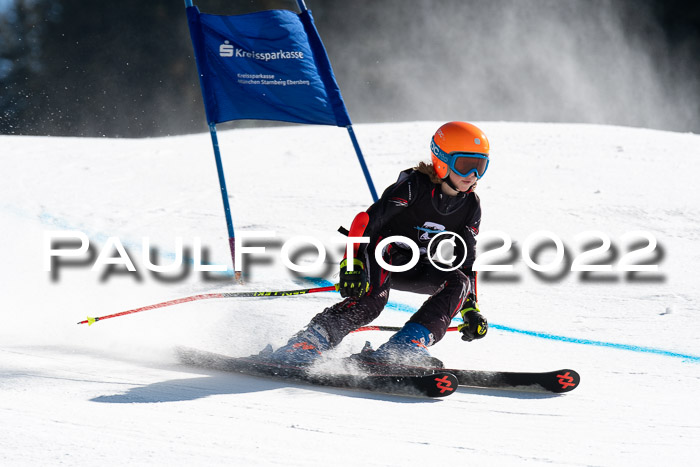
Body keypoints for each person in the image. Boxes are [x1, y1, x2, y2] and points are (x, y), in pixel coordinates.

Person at [270, 121, 489, 366]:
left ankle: (404, 347)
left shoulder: (471, 205)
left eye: (481, 167)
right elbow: (365, 222)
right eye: (465, 165)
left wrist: (470, 308)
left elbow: (467, 261)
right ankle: (308, 342)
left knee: (458, 281)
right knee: (372, 301)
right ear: (442, 159)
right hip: (381, 256)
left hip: (416, 265)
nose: (473, 176)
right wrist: (352, 264)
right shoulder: (414, 186)